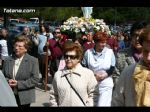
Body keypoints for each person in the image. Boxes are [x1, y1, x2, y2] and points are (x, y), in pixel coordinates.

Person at [49, 41, 99, 106]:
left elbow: (94, 94)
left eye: (72, 57)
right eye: (66, 56)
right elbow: (53, 95)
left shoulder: (88, 74)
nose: (68, 59)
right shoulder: (58, 75)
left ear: (78, 58)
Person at [111, 25, 150, 106]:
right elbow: (117, 100)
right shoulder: (128, 71)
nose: (148, 58)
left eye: (139, 36)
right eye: (145, 51)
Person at [2, 35, 40, 107]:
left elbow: (35, 79)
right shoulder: (7, 60)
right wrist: (8, 81)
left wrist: (18, 84)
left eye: (20, 46)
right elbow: (3, 76)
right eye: (15, 45)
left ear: (26, 49)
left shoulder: (32, 61)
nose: (16, 48)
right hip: (8, 95)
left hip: (24, 97)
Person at [82, 31, 116, 106]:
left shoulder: (110, 52)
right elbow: (84, 67)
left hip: (106, 84)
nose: (103, 44)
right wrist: (93, 75)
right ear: (95, 42)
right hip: (92, 83)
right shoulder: (88, 53)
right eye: (101, 42)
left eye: (105, 42)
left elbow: (112, 68)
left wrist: (105, 75)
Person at [112, 20, 150, 85]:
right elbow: (116, 76)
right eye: (135, 35)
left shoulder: (148, 57)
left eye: (140, 36)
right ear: (131, 36)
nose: (137, 39)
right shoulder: (121, 54)